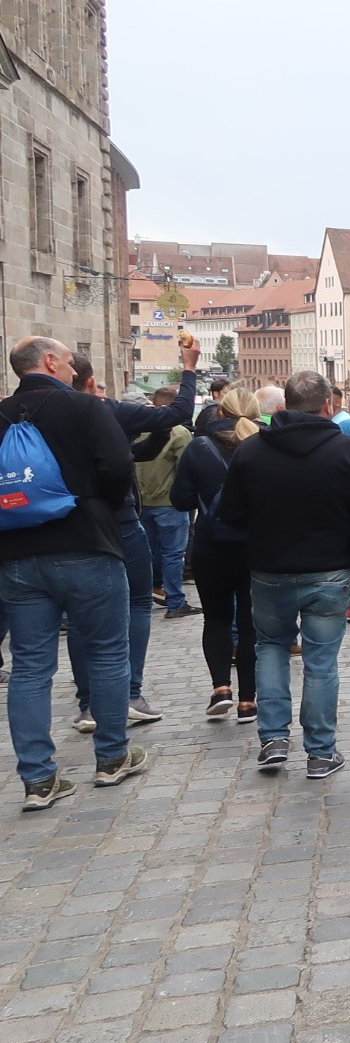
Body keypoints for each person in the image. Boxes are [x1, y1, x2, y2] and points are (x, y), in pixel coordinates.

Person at [1, 336, 148, 808]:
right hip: (86, 543)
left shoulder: (1, 413)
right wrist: (94, 503)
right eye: (67, 361)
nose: (70, 368)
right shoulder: (84, 408)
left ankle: (39, 780)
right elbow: (119, 463)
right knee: (107, 653)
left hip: (18, 555)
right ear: (49, 362)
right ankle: (111, 760)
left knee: (29, 666)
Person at [214, 370, 350, 778]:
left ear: (284, 407)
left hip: (270, 569)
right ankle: (321, 751)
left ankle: (273, 738)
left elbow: (230, 516)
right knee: (321, 662)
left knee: (270, 648)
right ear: (328, 406)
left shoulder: (251, 451)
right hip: (329, 570)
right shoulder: (348, 451)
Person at [65, 345, 198, 730]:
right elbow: (177, 413)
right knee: (139, 601)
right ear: (92, 383)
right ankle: (130, 693)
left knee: (79, 615)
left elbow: (134, 453)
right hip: (118, 518)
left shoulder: (37, 415)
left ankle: (88, 702)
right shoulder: (103, 410)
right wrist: (188, 369)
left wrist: (152, 439)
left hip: (66, 524)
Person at [173, 384, 262, 722]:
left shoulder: (199, 447)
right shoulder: (265, 444)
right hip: (255, 547)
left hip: (211, 548)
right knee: (250, 624)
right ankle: (248, 701)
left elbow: (180, 499)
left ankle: (221, 688)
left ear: (220, 412)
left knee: (217, 619)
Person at [135, 385, 194, 618]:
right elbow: (186, 469)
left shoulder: (137, 429)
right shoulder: (179, 432)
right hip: (170, 502)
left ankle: (146, 593)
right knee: (173, 553)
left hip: (142, 501)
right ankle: (176, 600)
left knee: (148, 552)